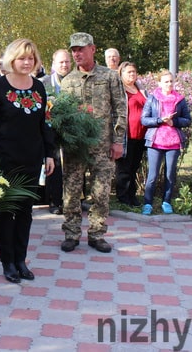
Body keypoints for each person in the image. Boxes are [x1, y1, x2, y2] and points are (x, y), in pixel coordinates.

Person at [0, 39, 55, 283]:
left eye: (31, 58)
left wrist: (49, 153)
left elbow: (45, 123)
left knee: (26, 212)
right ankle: (7, 262)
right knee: (7, 212)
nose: (27, 62)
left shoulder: (39, 87)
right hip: (4, 160)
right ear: (11, 60)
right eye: (22, 58)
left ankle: (21, 259)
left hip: (32, 158)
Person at [59, 33, 126, 254]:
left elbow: (120, 109)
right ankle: (71, 233)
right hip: (75, 149)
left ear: (93, 49)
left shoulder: (109, 77)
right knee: (71, 192)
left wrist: (118, 141)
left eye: (81, 49)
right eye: (73, 50)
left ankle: (97, 234)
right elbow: (62, 115)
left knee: (101, 193)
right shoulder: (67, 81)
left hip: (102, 146)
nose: (76, 53)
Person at [140, 70, 191, 215]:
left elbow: (187, 120)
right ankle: (148, 203)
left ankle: (166, 201)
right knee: (153, 175)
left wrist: (173, 122)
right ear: (159, 83)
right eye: (166, 81)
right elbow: (144, 119)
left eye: (171, 81)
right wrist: (159, 120)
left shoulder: (180, 99)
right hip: (155, 141)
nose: (169, 84)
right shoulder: (152, 98)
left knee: (170, 174)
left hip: (173, 142)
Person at [40, 49, 71, 214]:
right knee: (54, 165)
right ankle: (54, 201)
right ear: (54, 64)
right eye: (61, 62)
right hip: (50, 130)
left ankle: (73, 200)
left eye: (67, 62)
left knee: (73, 165)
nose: (64, 65)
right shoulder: (44, 82)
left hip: (72, 130)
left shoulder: (75, 80)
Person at [115, 62, 148, 207]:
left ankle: (132, 195)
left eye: (134, 72)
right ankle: (123, 197)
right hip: (125, 136)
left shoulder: (140, 89)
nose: (132, 75)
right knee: (124, 168)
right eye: (128, 72)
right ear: (121, 74)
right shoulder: (119, 90)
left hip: (141, 135)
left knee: (134, 167)